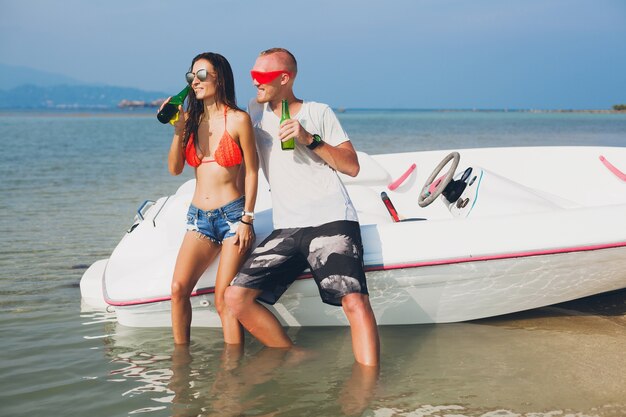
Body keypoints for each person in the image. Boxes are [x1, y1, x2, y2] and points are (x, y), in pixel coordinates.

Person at [224, 48, 380, 366]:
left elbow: (352, 167)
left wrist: (310, 139)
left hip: (330, 218)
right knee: (235, 298)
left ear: (285, 78)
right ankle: (293, 354)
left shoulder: (317, 112)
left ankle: (368, 385)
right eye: (252, 75)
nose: (254, 82)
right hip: (287, 226)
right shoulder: (252, 113)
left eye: (262, 76)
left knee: (354, 301)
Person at [163, 52, 258, 346]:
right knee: (178, 289)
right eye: (191, 77)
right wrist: (179, 132)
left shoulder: (239, 120)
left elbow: (253, 172)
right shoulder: (191, 121)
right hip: (199, 219)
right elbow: (175, 169)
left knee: (222, 300)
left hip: (232, 218)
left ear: (220, 77)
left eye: (202, 75)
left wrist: (247, 219)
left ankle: (232, 376)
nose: (195, 82)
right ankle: (181, 366)